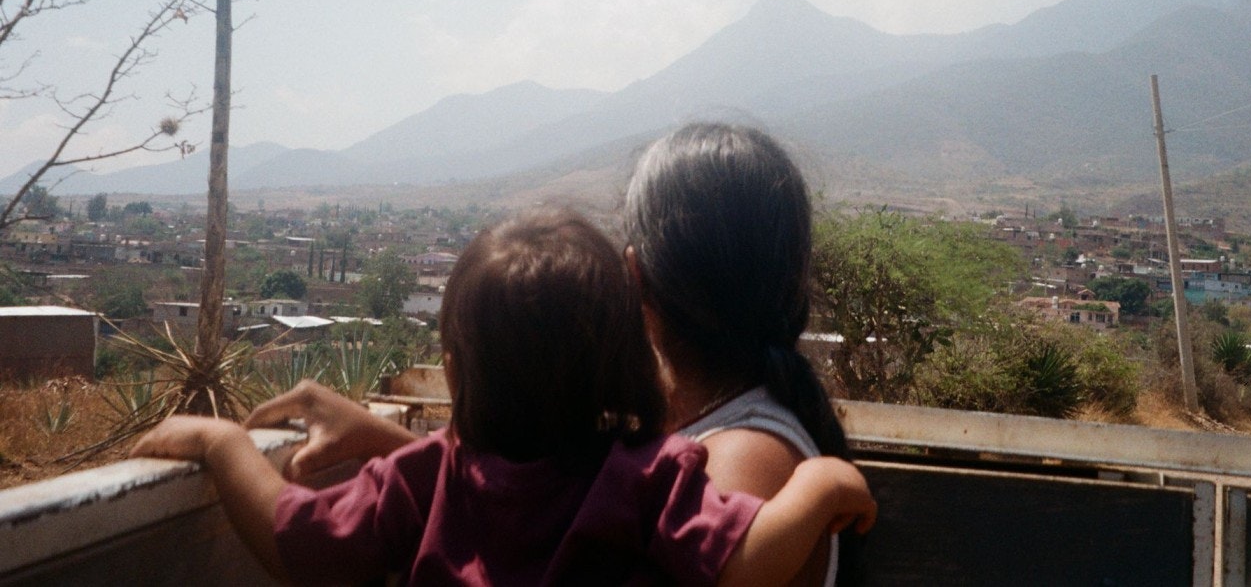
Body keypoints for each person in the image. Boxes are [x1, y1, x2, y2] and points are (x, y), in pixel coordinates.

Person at [247, 123, 851, 585]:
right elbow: (566, 513)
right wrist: (393, 446)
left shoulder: (738, 462)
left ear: (633, 277)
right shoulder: (684, 446)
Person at [133, 211, 875, 586]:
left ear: (455, 370)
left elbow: (297, 541)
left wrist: (221, 443)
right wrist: (820, 483)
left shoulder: (421, 480)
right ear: (626, 357)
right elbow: (746, 566)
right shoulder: (651, 477)